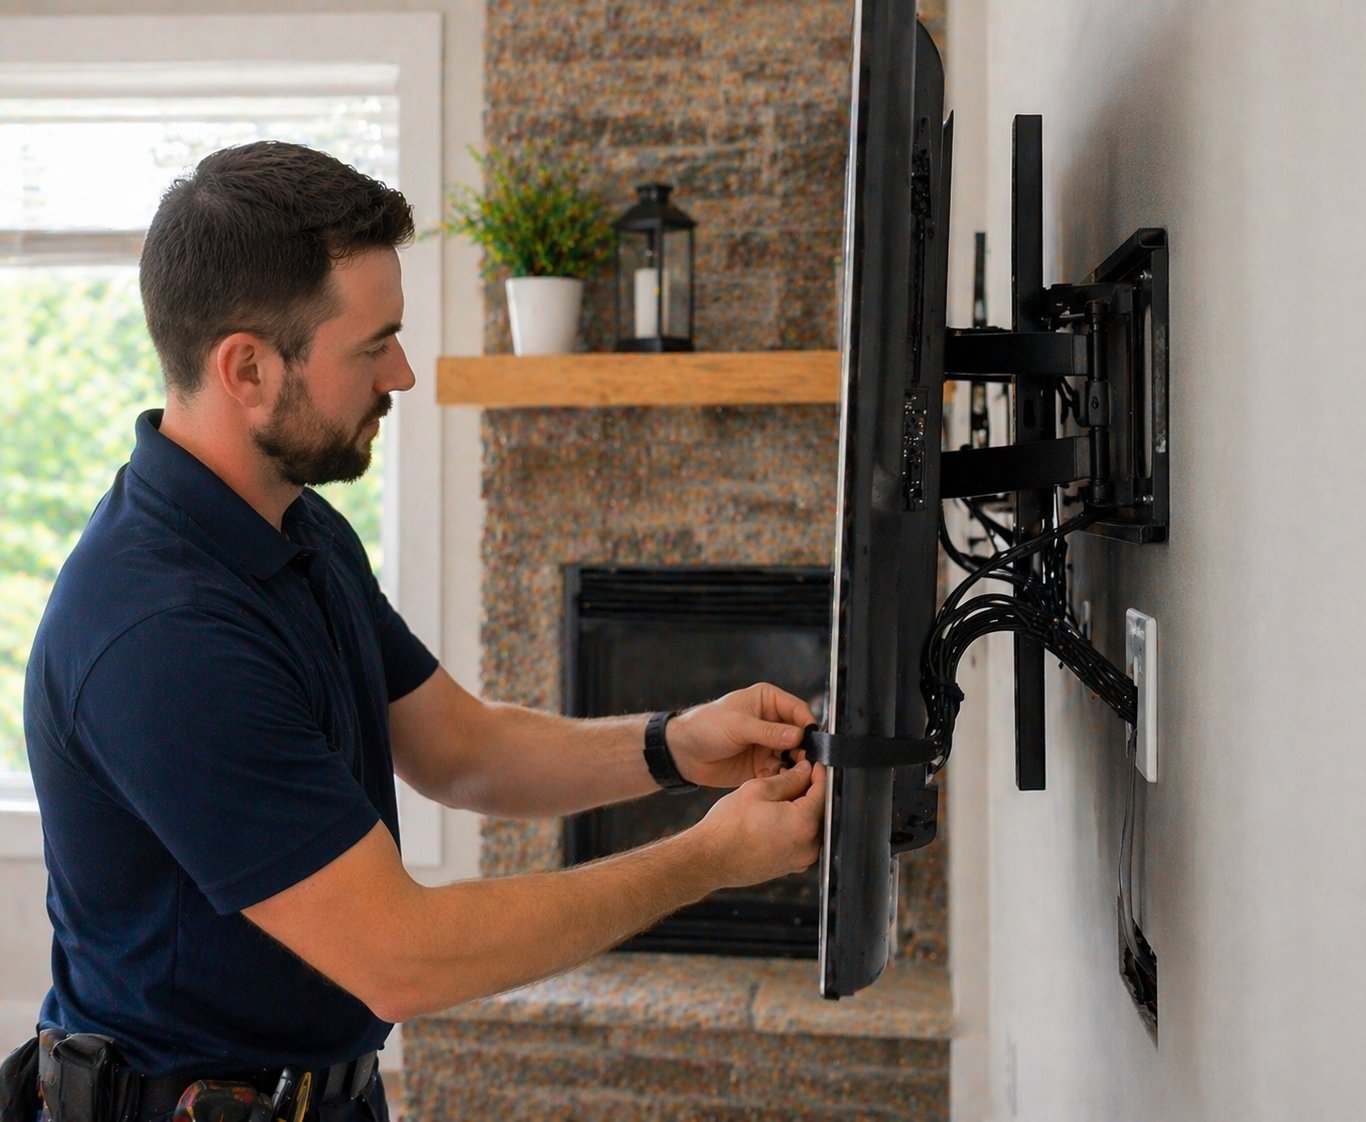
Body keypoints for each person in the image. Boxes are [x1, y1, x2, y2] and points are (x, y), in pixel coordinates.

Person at [21, 141, 826, 1122]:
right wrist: (707, 858)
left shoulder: (294, 526)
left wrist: (672, 745)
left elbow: (462, 747)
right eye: (374, 344)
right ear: (247, 369)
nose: (402, 372)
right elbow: (400, 959)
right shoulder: (159, 632)